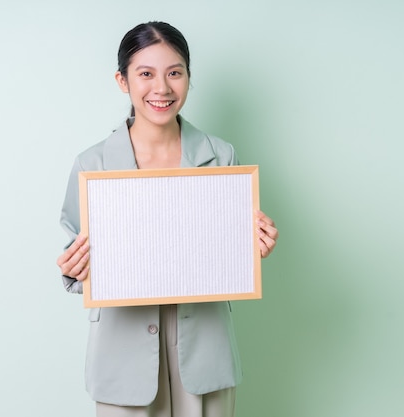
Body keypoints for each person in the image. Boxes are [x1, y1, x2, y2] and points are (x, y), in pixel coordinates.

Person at [56, 21, 279, 417]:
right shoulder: (92, 165)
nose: (161, 88)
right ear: (122, 81)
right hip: (123, 355)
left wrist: (251, 249)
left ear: (189, 79)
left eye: (175, 73)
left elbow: (230, 251)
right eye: (145, 74)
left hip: (204, 347)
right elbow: (77, 258)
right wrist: (75, 269)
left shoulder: (221, 157)